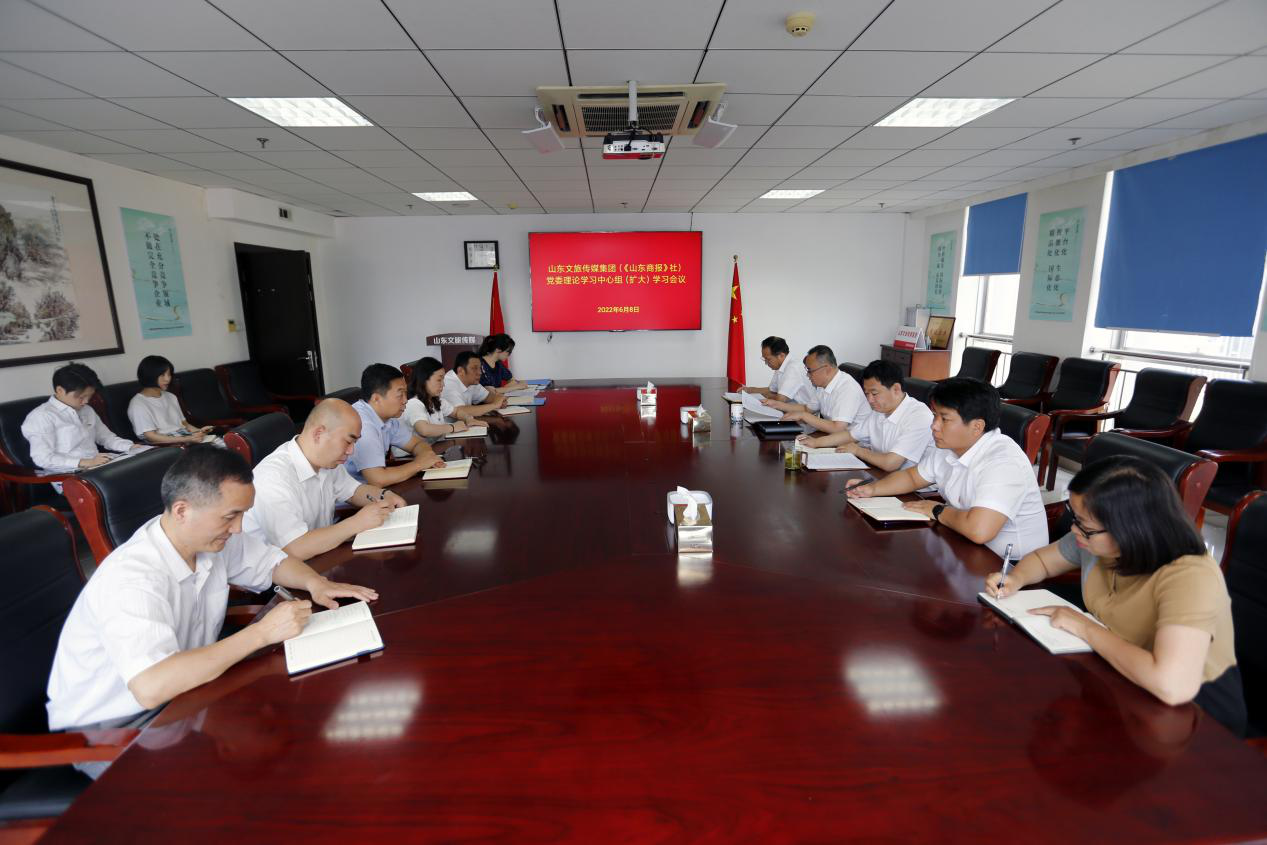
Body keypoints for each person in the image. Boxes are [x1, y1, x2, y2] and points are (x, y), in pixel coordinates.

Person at [45, 446, 380, 770]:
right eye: (230, 517)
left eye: (243, 514)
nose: (238, 528)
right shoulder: (132, 579)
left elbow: (273, 562)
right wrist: (261, 633)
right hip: (114, 728)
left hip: (186, 695)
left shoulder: (208, 539)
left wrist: (315, 583)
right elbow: (150, 687)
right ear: (182, 511)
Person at [984, 455, 1245, 736]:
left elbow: (1172, 685)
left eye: (1084, 525)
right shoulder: (1096, 541)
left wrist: (1085, 627)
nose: (1074, 530)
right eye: (1075, 518)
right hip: (1120, 679)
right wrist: (1016, 578)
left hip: (1196, 718)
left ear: (1128, 527)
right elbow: (1043, 561)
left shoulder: (1190, 576)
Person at [846, 377, 1046, 559]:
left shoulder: (1003, 461)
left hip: (1007, 567)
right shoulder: (950, 446)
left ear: (977, 427)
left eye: (944, 419)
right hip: (961, 544)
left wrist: (938, 510)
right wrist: (872, 489)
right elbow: (912, 478)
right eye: (935, 416)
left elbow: (979, 530)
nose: (934, 426)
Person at [243, 398, 408, 560]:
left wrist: (384, 495)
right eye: (348, 441)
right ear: (318, 434)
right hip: (283, 570)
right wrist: (357, 523)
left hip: (323, 556)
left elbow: (354, 491)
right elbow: (295, 548)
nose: (351, 451)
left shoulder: (326, 460)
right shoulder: (272, 479)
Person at [21, 362, 145, 484]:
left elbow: (106, 437)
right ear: (60, 390)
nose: (86, 401)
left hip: (97, 468)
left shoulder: (87, 410)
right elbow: (43, 458)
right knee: (133, 481)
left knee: (142, 468)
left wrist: (131, 447)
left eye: (89, 396)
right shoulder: (41, 417)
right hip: (68, 477)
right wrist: (85, 462)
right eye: (81, 397)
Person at [344, 363, 445, 485]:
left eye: (405, 393)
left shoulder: (387, 417)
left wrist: (427, 457)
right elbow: (377, 479)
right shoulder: (362, 425)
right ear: (376, 399)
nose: (405, 400)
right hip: (351, 494)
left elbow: (417, 444)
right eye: (400, 395)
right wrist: (420, 464)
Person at [828, 359, 933, 471]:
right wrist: (815, 443)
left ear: (896, 389)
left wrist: (858, 450)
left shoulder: (920, 416)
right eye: (867, 393)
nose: (870, 400)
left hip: (910, 479)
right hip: (882, 472)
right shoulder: (880, 409)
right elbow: (850, 435)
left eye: (874, 393)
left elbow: (890, 463)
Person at [763, 345, 871, 438]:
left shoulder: (847, 388)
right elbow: (807, 409)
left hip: (857, 445)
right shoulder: (822, 385)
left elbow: (837, 428)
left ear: (827, 369)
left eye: (810, 370)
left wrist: (803, 416)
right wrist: (776, 404)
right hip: (835, 437)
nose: (807, 375)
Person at [129, 355, 220, 446]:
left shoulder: (170, 396)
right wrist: (187, 439)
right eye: (162, 375)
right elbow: (151, 437)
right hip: (166, 445)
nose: (167, 379)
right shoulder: (138, 405)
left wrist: (200, 432)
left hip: (184, 437)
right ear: (149, 376)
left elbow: (185, 425)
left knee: (220, 443)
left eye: (169, 374)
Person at [403, 357, 478, 443]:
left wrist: (468, 418)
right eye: (439, 380)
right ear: (423, 380)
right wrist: (453, 427)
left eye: (443, 380)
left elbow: (456, 412)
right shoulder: (414, 403)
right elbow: (424, 430)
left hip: (435, 447)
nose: (443, 384)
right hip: (416, 451)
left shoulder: (436, 400)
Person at [741, 336, 817, 408]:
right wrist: (749, 390)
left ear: (781, 355)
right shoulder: (780, 366)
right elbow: (772, 390)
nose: (766, 363)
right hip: (790, 410)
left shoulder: (793, 368)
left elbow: (780, 400)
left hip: (804, 414)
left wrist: (764, 396)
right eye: (764, 359)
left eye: (768, 359)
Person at [442, 351, 507, 419]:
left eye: (480, 368)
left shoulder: (471, 381)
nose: (480, 373)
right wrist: (494, 405)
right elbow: (460, 411)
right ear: (461, 371)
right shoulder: (448, 384)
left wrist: (499, 399)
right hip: (449, 425)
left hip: (467, 422)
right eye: (474, 368)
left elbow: (487, 397)